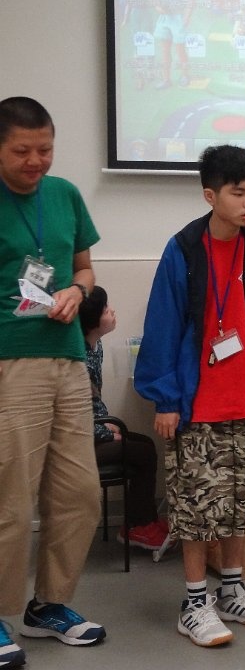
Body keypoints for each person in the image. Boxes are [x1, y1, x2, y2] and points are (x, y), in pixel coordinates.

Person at [134, 145, 245, 646]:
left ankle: (233, 591)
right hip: (196, 403)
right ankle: (195, 602)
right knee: (196, 508)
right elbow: (162, 324)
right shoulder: (184, 249)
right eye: (238, 193)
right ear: (210, 195)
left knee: (239, 503)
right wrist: (165, 398)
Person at [0, 96, 105, 666]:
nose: (36, 161)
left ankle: (49, 604)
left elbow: (84, 267)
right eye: (23, 151)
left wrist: (76, 291)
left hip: (67, 358)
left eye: (45, 149)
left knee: (79, 494)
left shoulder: (64, 194)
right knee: (10, 500)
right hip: (10, 360)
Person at [79, 285, 172, 555]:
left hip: (95, 427)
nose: (112, 312)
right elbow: (75, 415)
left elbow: (92, 403)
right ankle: (138, 525)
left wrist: (105, 425)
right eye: (106, 310)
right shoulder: (79, 358)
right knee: (143, 452)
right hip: (80, 440)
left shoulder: (95, 347)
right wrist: (106, 433)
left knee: (145, 443)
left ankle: (142, 519)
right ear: (92, 321)